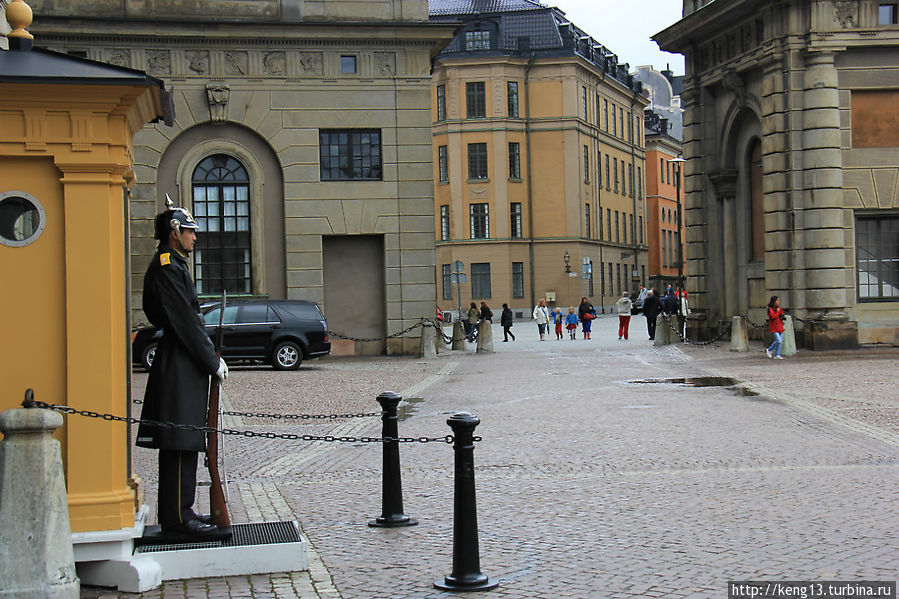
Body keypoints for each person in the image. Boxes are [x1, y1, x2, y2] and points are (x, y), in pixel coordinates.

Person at [136, 196, 229, 539]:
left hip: (182, 359)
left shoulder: (174, 264)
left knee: (187, 437)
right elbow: (187, 322)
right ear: (174, 232)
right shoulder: (167, 266)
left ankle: (182, 509)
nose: (195, 237)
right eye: (190, 231)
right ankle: (177, 518)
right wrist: (211, 359)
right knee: (178, 438)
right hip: (178, 359)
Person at [766, 295, 786, 359]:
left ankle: (777, 354)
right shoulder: (770, 309)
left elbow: (782, 314)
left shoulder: (779, 308)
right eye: (777, 300)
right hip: (774, 327)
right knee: (778, 340)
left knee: (779, 342)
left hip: (780, 326)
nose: (778, 302)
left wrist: (782, 316)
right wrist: (777, 312)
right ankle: (769, 349)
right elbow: (773, 317)